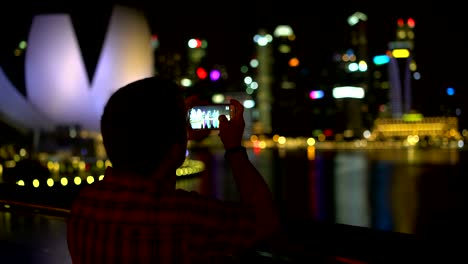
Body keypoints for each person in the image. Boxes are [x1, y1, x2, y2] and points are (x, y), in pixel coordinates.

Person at [66, 76, 280, 263]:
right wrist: (234, 148)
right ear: (175, 151)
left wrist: (173, 129)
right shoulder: (186, 218)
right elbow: (265, 222)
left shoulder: (84, 204)